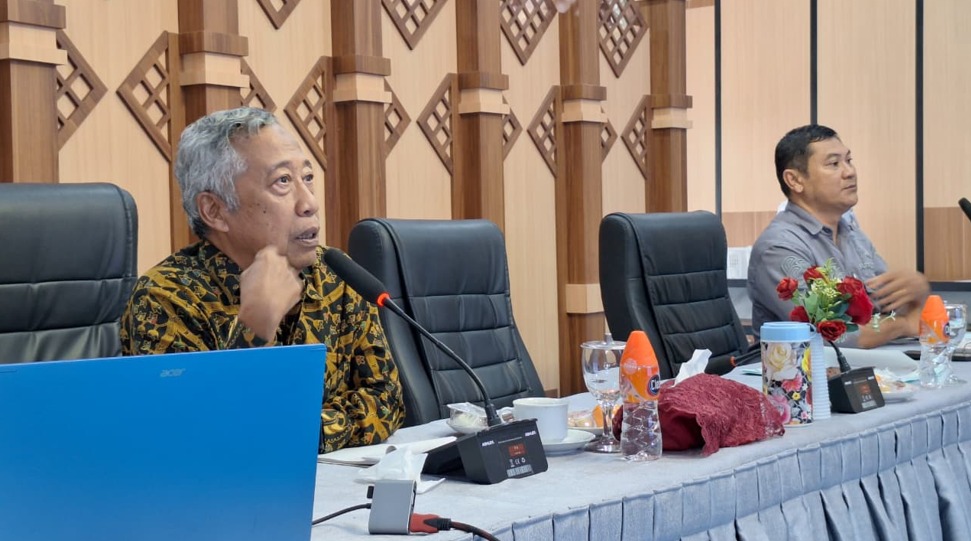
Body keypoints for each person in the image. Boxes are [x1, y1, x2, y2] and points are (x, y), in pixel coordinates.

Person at [120, 107, 404, 452]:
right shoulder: (165, 298)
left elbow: (386, 400)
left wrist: (302, 431)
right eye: (282, 181)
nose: (310, 203)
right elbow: (189, 436)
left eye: (308, 178)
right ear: (215, 210)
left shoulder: (335, 274)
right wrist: (254, 330)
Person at [747, 124, 930, 348]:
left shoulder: (852, 235)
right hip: (807, 368)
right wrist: (903, 325)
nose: (849, 172)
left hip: (869, 362)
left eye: (849, 161)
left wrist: (915, 294)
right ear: (795, 180)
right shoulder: (779, 248)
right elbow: (835, 335)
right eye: (834, 164)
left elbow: (888, 308)